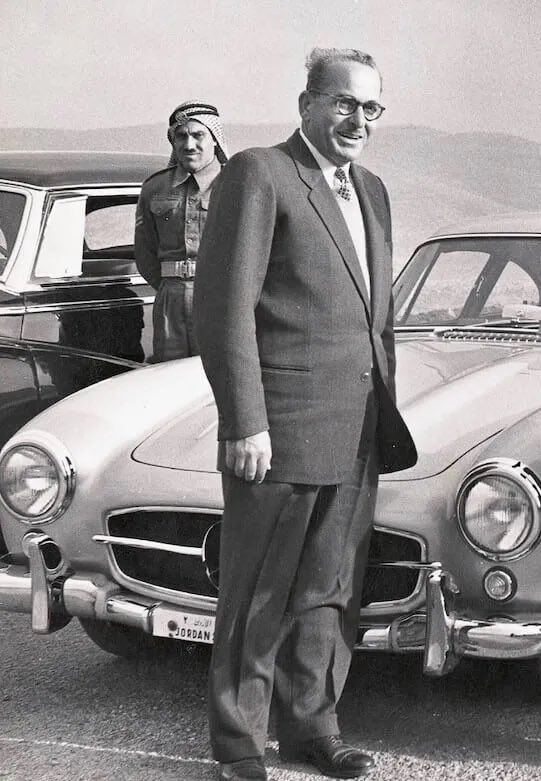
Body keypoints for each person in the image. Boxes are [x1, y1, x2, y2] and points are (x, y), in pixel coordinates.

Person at [193, 48, 417, 781]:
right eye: (345, 103)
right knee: (258, 592)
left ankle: (314, 727)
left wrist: (382, 410)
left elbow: (375, 320)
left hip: (356, 429)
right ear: (308, 104)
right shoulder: (260, 173)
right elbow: (224, 310)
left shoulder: (373, 190)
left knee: (330, 590)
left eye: (371, 107)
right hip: (280, 430)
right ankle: (238, 743)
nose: (359, 120)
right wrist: (244, 422)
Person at [135, 100, 228, 362]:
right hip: (170, 301)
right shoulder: (155, 188)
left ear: (215, 140)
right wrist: (171, 287)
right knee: (170, 373)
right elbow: (145, 252)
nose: (189, 145)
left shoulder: (234, 183)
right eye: (181, 136)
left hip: (220, 298)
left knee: (218, 373)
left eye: (199, 135)